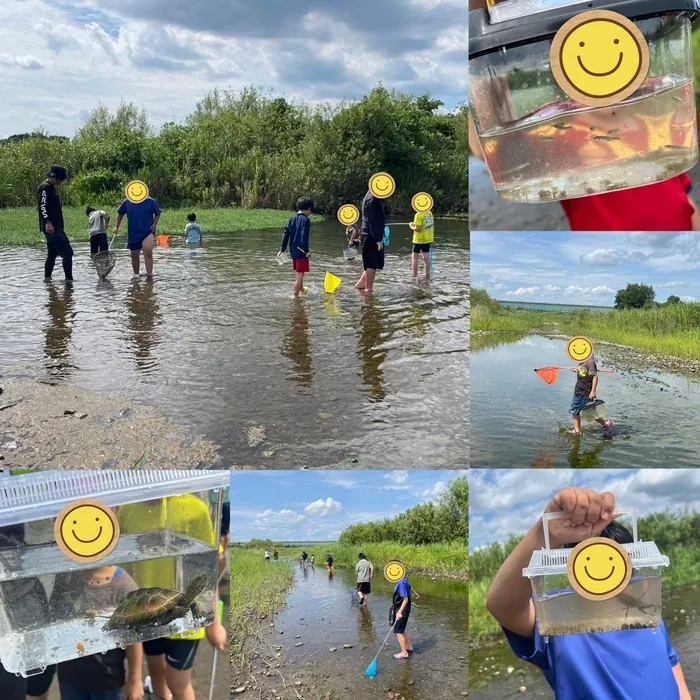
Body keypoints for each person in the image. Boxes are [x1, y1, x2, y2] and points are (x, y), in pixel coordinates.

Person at [486, 487, 692, 699]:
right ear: (575, 577)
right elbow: (502, 605)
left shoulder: (648, 616)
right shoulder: (560, 626)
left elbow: (672, 664)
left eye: (631, 575)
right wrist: (547, 532)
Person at [117, 496, 227, 700]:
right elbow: (121, 566)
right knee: (156, 670)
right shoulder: (127, 510)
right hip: (145, 613)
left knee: (178, 683)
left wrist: (215, 624)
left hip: (185, 615)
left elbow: (206, 569)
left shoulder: (196, 509)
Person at [50, 566, 144, 700]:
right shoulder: (66, 578)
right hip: (69, 678)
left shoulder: (124, 585)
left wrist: (135, 681)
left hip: (109, 680)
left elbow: (134, 638)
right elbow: (53, 621)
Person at [38, 165, 73, 281]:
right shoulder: (45, 188)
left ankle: (47, 280)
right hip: (52, 228)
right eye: (61, 179)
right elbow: (42, 206)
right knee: (68, 253)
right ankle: (69, 281)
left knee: (52, 254)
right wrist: (47, 222)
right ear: (55, 177)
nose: (62, 181)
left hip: (55, 227)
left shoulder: (51, 188)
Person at [114, 193, 161, 277]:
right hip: (133, 233)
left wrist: (155, 224)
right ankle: (136, 275)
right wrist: (116, 227)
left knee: (148, 251)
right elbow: (120, 213)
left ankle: (149, 275)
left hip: (147, 231)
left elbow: (158, 213)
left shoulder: (150, 201)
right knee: (135, 255)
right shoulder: (127, 201)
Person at [568, 356, 614, 438]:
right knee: (577, 410)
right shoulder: (582, 361)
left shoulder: (590, 362)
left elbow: (594, 376)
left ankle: (606, 424)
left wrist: (593, 391)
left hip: (586, 392)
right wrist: (577, 370)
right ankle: (578, 430)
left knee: (586, 412)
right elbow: (584, 373)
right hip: (578, 391)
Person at [278, 197, 313, 297]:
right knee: (299, 275)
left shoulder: (292, 219)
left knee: (299, 272)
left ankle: (301, 290)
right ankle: (295, 296)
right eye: (311, 210)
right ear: (309, 209)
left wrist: (282, 249)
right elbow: (304, 235)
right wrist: (306, 251)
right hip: (301, 252)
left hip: (293, 251)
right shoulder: (305, 220)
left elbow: (286, 234)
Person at [356, 189, 387, 292]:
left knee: (372, 262)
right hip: (371, 235)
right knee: (372, 264)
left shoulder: (370, 195)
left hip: (370, 234)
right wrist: (378, 239)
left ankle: (361, 284)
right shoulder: (373, 198)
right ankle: (368, 291)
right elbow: (372, 220)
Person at [391, 565, 419, 659]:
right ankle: (409, 647)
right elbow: (410, 587)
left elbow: (405, 599)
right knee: (401, 629)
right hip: (405, 608)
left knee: (398, 631)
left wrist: (399, 612)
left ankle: (404, 652)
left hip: (402, 608)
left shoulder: (401, 582)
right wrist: (414, 593)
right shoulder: (404, 580)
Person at [409, 207, 434, 281]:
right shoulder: (429, 213)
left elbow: (417, 229)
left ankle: (414, 275)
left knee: (414, 257)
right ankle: (427, 274)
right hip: (427, 239)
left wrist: (411, 226)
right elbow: (425, 225)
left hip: (419, 239)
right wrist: (415, 224)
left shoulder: (418, 214)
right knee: (426, 257)